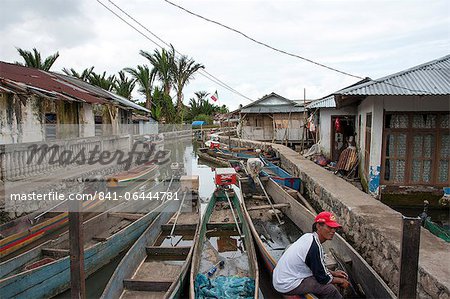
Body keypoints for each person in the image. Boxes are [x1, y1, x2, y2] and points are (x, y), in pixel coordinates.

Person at [273, 211, 350, 298]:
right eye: (329, 227)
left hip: (280, 279)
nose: (333, 231)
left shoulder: (308, 236)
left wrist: (333, 273)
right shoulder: (314, 247)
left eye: (335, 228)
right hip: (286, 284)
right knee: (330, 289)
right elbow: (323, 278)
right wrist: (341, 281)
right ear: (318, 226)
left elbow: (317, 268)